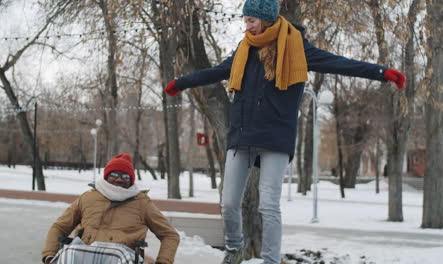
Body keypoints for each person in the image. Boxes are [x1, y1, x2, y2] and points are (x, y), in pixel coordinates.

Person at [164, 0, 406, 263]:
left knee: (268, 205)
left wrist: (382, 73)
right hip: (242, 134)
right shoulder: (244, 48)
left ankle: (270, 260)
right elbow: (219, 71)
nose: (248, 26)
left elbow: (339, 63)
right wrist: (182, 82)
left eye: (252, 21)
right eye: (245, 20)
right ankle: (234, 249)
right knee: (229, 203)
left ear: (266, 20)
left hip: (276, 137)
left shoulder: (296, 47)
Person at [41, 153, 180, 264]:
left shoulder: (142, 204)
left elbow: (170, 235)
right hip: (84, 255)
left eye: (125, 176)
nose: (119, 179)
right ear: (106, 176)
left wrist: (163, 262)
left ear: (131, 180)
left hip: (122, 257)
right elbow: (60, 226)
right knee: (69, 253)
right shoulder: (88, 198)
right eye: (114, 175)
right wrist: (49, 256)